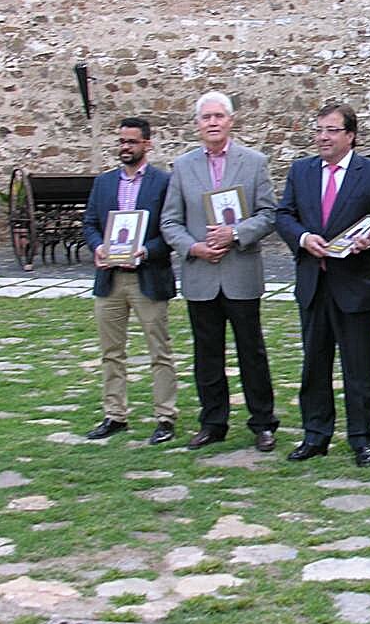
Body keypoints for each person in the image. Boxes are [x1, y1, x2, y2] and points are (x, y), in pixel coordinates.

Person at [276, 103, 370, 468]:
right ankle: (315, 434)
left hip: (355, 283)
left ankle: (362, 438)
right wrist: (302, 238)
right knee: (314, 364)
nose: (323, 137)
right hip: (314, 281)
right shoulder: (301, 171)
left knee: (358, 367)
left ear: (350, 135)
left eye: (331, 130)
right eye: (318, 130)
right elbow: (285, 214)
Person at [160, 91, 280, 452]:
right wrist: (193, 247)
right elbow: (169, 220)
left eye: (219, 116)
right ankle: (213, 422)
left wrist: (236, 234)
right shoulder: (182, 167)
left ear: (231, 121)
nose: (212, 123)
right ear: (197, 125)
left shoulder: (254, 162)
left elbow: (269, 214)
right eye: (205, 117)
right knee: (206, 354)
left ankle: (263, 422)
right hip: (201, 274)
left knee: (252, 352)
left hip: (240, 271)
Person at [82, 117, 179, 445]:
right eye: (122, 141)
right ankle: (115, 414)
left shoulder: (163, 183)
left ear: (147, 144)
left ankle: (165, 416)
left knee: (159, 351)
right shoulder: (104, 183)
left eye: (132, 142)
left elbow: (171, 231)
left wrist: (145, 251)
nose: (125, 147)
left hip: (147, 277)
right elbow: (91, 223)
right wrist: (97, 247)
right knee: (111, 351)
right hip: (110, 279)